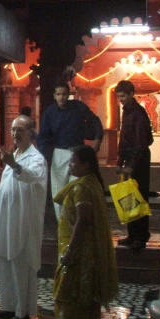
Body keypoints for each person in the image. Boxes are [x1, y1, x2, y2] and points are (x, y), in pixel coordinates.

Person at [48, 145, 118, 319]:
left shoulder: (82, 188)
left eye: (73, 162)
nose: (70, 166)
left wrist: (71, 251)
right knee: (85, 300)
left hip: (78, 254)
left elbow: (82, 221)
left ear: (86, 165)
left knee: (66, 299)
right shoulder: (91, 183)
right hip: (87, 255)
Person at [0, 115, 48, 319]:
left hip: (23, 222)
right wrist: (12, 162)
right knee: (5, 261)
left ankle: (22, 313)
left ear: (31, 131)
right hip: (7, 219)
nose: (15, 133)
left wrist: (14, 165)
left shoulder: (36, 158)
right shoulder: (14, 155)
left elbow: (31, 175)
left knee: (21, 265)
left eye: (20, 129)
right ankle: (9, 306)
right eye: (13, 129)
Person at [37, 82, 103, 223]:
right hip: (59, 152)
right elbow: (43, 137)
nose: (61, 97)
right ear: (54, 96)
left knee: (78, 189)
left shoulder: (78, 107)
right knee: (58, 190)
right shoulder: (49, 113)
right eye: (59, 94)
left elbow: (95, 121)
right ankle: (63, 224)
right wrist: (43, 157)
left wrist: (97, 139)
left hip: (78, 151)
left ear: (69, 95)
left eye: (64, 94)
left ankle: (78, 222)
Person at [114, 79, 153, 250]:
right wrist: (120, 161)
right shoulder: (126, 112)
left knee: (140, 196)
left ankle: (141, 236)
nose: (120, 99)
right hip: (130, 158)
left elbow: (141, 142)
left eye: (123, 96)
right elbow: (123, 139)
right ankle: (132, 234)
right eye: (119, 97)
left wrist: (132, 164)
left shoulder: (138, 113)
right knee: (128, 197)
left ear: (131, 94)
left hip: (139, 160)